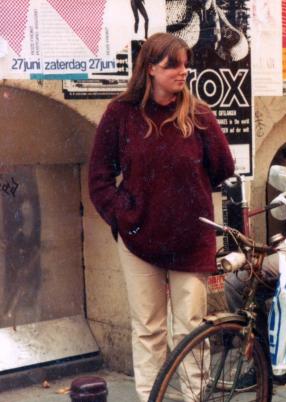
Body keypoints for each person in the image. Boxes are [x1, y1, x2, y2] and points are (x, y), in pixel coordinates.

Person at [88, 32, 235, 401]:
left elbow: (222, 167)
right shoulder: (121, 114)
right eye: (173, 65)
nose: (183, 72)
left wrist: (187, 196)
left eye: (186, 64)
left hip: (191, 239)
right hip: (139, 238)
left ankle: (194, 397)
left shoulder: (198, 114)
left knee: (191, 329)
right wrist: (123, 215)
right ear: (150, 68)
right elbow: (99, 178)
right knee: (149, 329)